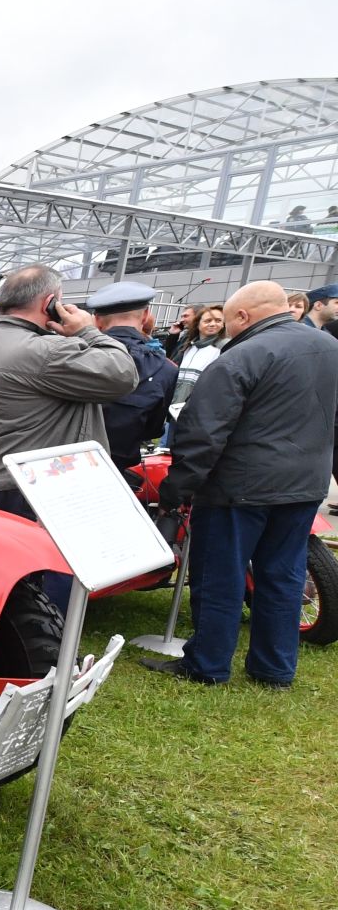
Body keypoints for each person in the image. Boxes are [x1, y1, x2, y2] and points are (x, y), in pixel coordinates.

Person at [149, 281, 338, 686]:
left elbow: (203, 433)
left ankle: (208, 665)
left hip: (239, 488)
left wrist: (176, 488)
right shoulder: (329, 348)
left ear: (242, 316)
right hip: (305, 484)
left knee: (221, 576)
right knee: (284, 576)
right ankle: (274, 669)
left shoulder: (240, 357)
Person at [0, 264, 138, 606]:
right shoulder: (47, 352)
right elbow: (122, 374)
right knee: (34, 594)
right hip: (26, 494)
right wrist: (87, 332)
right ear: (50, 303)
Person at [88, 281, 179, 472]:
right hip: (118, 468)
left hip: (63, 464)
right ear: (145, 316)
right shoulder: (167, 369)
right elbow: (153, 429)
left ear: (96, 319)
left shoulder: (76, 352)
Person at [167, 304, 225, 444]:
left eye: (218, 320)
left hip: (199, 416)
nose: (213, 324)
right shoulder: (189, 346)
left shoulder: (224, 348)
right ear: (198, 324)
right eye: (207, 321)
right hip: (176, 411)